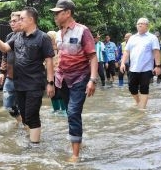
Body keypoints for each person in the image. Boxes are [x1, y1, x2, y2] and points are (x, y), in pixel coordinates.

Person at [0, 7, 55, 144]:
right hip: (19, 83)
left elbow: (49, 61)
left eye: (22, 19)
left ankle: (35, 146)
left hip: (34, 83)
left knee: (32, 115)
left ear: (31, 19)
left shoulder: (43, 37)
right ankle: (32, 138)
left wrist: (50, 83)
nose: (18, 21)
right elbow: (4, 48)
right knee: (25, 117)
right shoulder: (17, 37)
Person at [50, 0, 98, 162]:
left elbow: (92, 56)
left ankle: (75, 155)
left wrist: (92, 79)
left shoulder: (82, 31)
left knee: (73, 112)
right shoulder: (58, 33)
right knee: (72, 113)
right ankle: (78, 140)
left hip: (80, 78)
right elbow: (58, 56)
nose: (55, 15)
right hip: (62, 79)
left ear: (68, 13)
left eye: (58, 12)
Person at [120, 18, 161, 109]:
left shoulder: (152, 38)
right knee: (132, 88)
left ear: (147, 25)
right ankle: (139, 102)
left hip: (146, 68)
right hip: (133, 68)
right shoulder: (132, 38)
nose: (139, 25)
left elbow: (156, 52)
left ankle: (142, 109)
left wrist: (158, 66)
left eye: (142, 23)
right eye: (138, 23)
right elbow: (126, 52)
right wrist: (122, 63)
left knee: (144, 88)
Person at [0, 11, 22, 124]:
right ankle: (20, 120)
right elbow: (4, 54)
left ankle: (27, 125)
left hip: (24, 78)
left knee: (23, 104)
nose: (12, 23)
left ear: (22, 21)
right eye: (10, 21)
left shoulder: (26, 36)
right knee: (8, 105)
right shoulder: (9, 36)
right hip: (10, 77)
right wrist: (2, 72)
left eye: (14, 21)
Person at [47, 30, 66, 112]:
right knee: (52, 93)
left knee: (60, 93)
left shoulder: (61, 47)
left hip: (60, 74)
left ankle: (64, 110)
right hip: (49, 74)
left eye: (51, 38)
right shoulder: (46, 49)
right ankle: (56, 110)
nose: (50, 40)